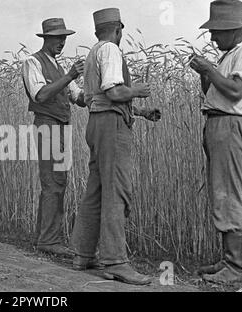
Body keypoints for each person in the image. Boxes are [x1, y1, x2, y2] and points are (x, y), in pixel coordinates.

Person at [70, 8, 161, 285]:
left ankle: (83, 254)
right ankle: (116, 261)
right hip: (111, 128)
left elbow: (97, 97)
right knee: (117, 191)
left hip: (98, 124)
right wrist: (138, 90)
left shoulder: (94, 51)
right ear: (119, 29)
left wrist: (141, 111)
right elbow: (113, 91)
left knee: (96, 189)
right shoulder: (111, 49)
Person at [22, 18, 86, 257]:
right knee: (53, 182)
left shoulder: (57, 67)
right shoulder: (32, 62)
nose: (62, 42)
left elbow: (77, 97)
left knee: (58, 181)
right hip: (47, 125)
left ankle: (45, 236)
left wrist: (96, 94)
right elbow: (40, 94)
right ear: (45, 38)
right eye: (57, 38)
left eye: (64, 38)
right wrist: (70, 76)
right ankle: (49, 240)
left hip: (61, 126)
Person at [189, 0, 242, 284]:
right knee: (222, 192)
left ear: (234, 29)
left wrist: (209, 69)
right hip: (219, 123)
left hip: (230, 125)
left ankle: (237, 267)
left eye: (216, 31)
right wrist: (205, 74)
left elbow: (235, 92)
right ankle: (229, 260)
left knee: (230, 193)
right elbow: (214, 91)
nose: (212, 37)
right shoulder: (231, 54)